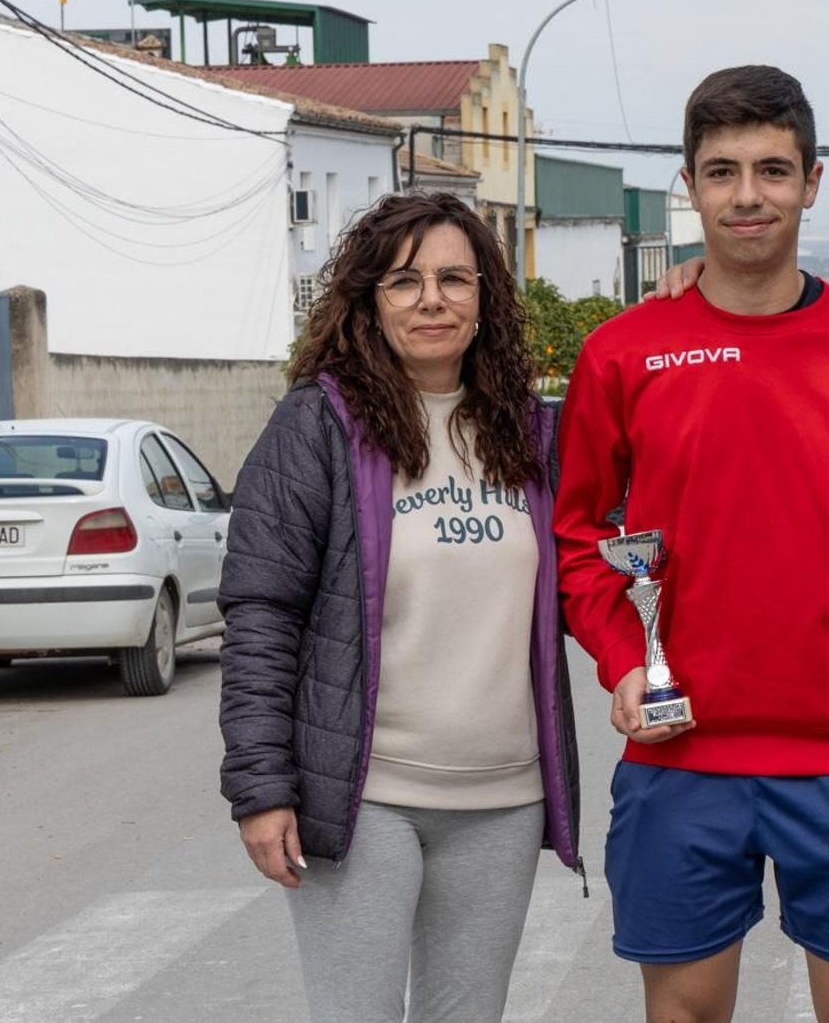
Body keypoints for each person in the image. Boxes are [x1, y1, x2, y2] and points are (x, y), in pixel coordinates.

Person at [554, 65, 829, 1023]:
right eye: (722, 172)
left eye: (772, 169)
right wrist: (619, 663)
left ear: (812, 180)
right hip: (680, 753)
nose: (747, 195)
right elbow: (579, 536)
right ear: (689, 186)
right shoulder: (623, 352)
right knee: (683, 1014)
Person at [218, 190, 581, 1023]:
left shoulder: (534, 435)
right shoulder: (318, 426)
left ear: (486, 300)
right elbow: (262, 615)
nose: (432, 300)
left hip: (502, 799)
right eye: (404, 280)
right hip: (361, 797)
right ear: (367, 300)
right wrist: (262, 788)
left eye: (456, 279)